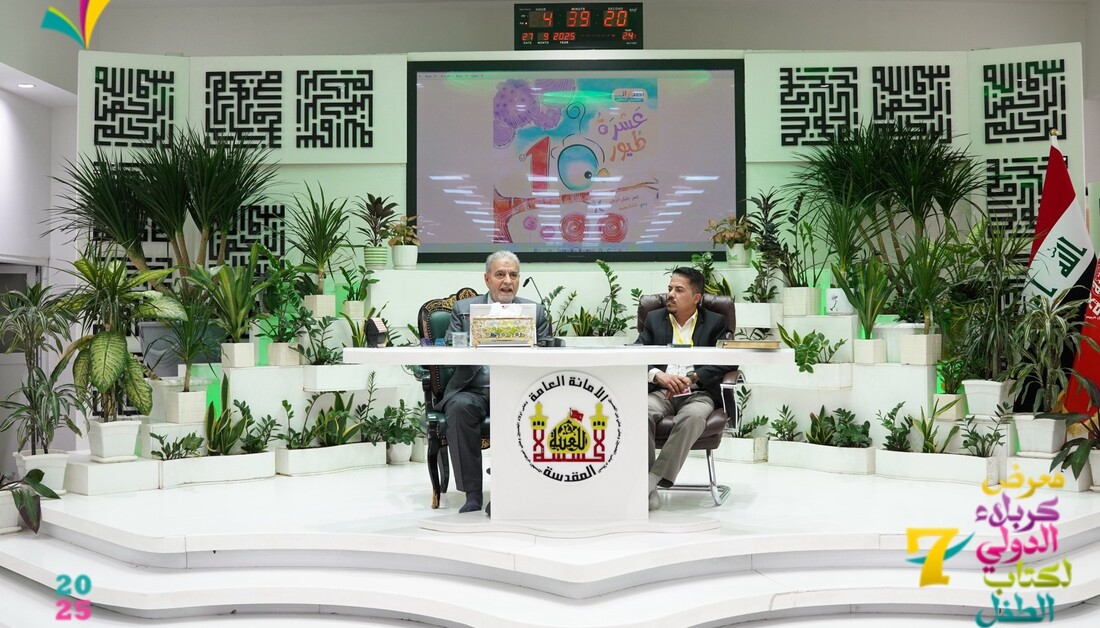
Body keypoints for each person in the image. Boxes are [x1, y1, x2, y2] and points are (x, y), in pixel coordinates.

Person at [440, 250, 552, 513]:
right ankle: (472, 493)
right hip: (474, 388)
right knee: (459, 407)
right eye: (500, 274)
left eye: (513, 275)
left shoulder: (535, 312)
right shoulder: (463, 310)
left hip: (519, 389)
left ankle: (506, 490)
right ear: (487, 279)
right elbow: (448, 350)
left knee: (526, 410)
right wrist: (471, 341)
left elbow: (548, 353)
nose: (507, 281)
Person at [635, 267, 731, 511]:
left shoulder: (715, 322)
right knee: (640, 412)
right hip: (661, 391)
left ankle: (650, 481)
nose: (670, 294)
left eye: (679, 290)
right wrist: (658, 375)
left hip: (697, 392)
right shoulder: (654, 318)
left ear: (696, 298)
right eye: (669, 289)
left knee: (693, 418)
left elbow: (727, 361)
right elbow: (635, 354)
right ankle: (648, 486)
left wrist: (693, 377)